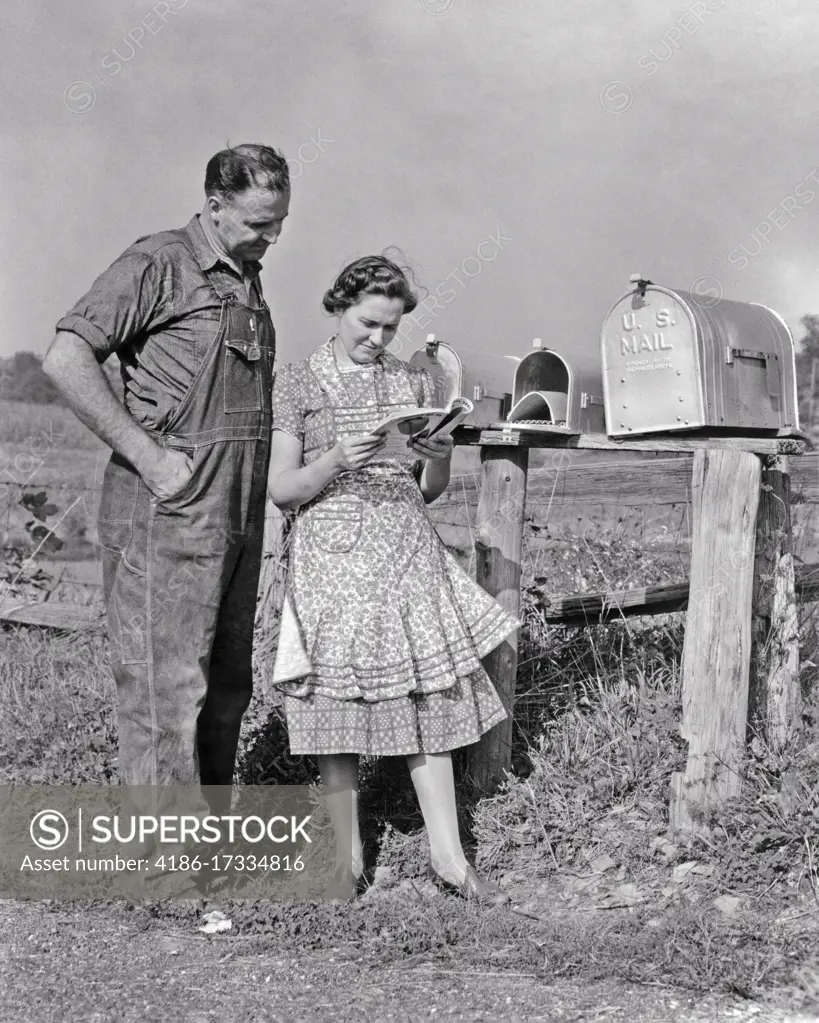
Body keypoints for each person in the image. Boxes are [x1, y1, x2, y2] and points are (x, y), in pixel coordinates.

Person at [43, 145, 290, 813]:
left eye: (279, 224)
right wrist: (149, 457)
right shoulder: (157, 261)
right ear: (213, 206)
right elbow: (66, 356)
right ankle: (163, 856)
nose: (270, 239)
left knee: (226, 683)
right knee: (167, 686)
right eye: (257, 223)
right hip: (167, 510)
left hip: (233, 513)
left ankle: (205, 836)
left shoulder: (244, 277)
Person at [266, 255, 518, 904]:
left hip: (404, 552)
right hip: (331, 559)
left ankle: (449, 857)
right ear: (338, 306)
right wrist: (334, 458)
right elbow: (282, 488)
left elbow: (426, 489)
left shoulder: (407, 379)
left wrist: (439, 455)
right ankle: (346, 858)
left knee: (424, 699)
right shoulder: (298, 382)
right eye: (367, 323)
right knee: (335, 708)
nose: (377, 339)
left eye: (389, 328)